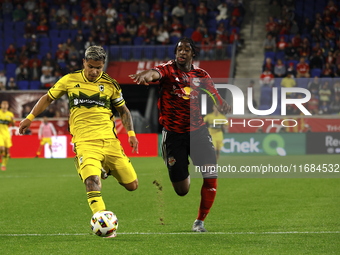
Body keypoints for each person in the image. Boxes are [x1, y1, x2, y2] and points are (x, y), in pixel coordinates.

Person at [19, 46, 138, 237]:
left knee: (132, 185)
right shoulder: (69, 80)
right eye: (91, 66)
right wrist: (30, 117)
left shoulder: (111, 85)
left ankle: (106, 169)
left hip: (110, 142)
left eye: (98, 68)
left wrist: (131, 133)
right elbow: (47, 98)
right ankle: (102, 220)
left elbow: (123, 111)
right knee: (91, 180)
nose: (94, 71)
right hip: (85, 143)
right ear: (83, 62)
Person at [129, 37, 231, 232]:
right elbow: (154, 73)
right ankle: (179, 164)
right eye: (179, 50)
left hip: (198, 132)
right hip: (174, 134)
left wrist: (221, 104)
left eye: (186, 49)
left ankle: (200, 221)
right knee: (182, 190)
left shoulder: (201, 74)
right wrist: (146, 75)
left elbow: (216, 96)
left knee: (211, 175)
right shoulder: (168, 69)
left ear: (193, 53)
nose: (182, 52)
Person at [0, 100, 15, 171]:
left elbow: (13, 125)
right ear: (1, 105)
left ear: (8, 106)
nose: (5, 105)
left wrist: (12, 120)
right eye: (3, 104)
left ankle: (3, 165)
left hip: (6, 134)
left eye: (6, 104)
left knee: (6, 151)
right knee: (1, 148)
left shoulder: (10, 114)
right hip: (0, 134)